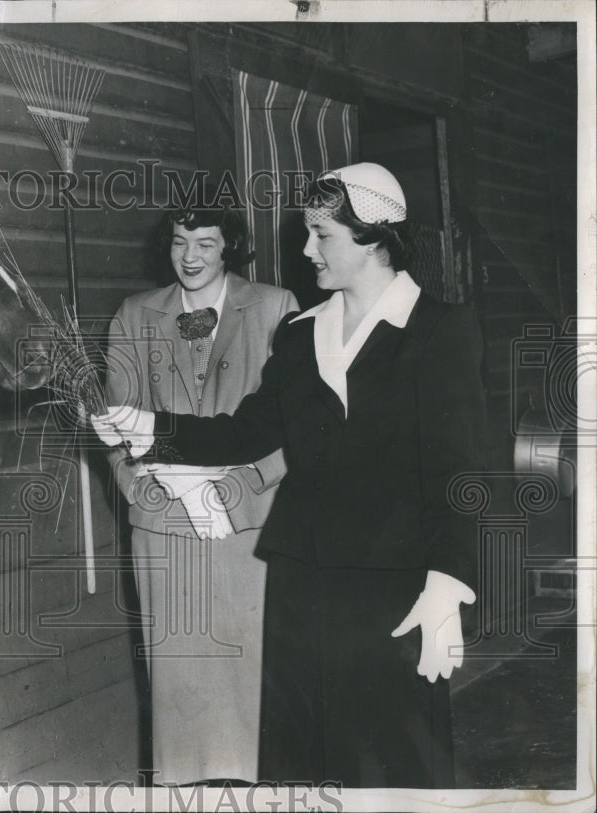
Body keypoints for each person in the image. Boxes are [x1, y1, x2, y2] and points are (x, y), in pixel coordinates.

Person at [93, 163, 487, 788]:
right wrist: (150, 427)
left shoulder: (439, 329)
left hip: (392, 580)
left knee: (391, 753)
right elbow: (245, 430)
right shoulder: (304, 333)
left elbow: (458, 468)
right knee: (301, 758)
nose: (306, 250)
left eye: (321, 235)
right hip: (300, 580)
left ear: (374, 238)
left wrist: (448, 586)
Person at [105, 204, 298, 784]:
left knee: (253, 684)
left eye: (206, 244)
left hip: (249, 527)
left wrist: (242, 486)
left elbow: (300, 423)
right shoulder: (134, 315)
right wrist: (136, 481)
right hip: (165, 526)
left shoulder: (275, 307)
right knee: (180, 691)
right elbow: (118, 423)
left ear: (230, 247)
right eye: (180, 242)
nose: (189, 257)